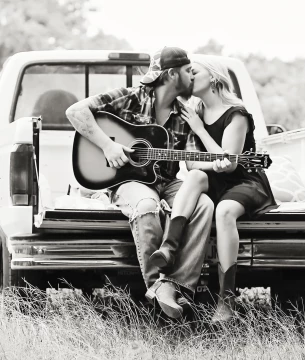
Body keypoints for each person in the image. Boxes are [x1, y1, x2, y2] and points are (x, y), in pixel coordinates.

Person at [65, 47, 214, 319]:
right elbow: (75, 111)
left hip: (166, 182)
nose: (192, 77)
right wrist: (108, 146)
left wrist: (217, 161)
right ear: (171, 74)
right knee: (147, 205)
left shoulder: (186, 115)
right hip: (128, 182)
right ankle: (157, 289)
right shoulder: (130, 97)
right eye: (187, 71)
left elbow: (192, 164)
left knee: (203, 204)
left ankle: (177, 286)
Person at [150, 57, 277, 323]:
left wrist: (199, 129)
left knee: (224, 211)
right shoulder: (193, 109)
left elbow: (230, 165)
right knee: (194, 176)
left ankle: (226, 301)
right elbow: (191, 161)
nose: (189, 78)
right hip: (214, 178)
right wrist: (210, 156)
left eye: (194, 72)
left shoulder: (237, 114)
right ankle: (169, 247)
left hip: (246, 181)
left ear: (215, 78)